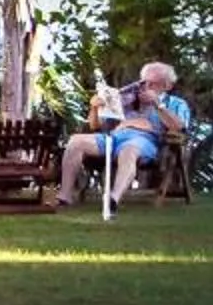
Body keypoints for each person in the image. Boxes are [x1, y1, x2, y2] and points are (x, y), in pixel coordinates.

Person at [55, 61, 193, 209]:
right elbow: (95, 125)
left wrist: (158, 105)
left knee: (129, 150)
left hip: (145, 140)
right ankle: (65, 196)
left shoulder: (176, 104)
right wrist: (94, 108)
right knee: (76, 141)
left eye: (154, 84)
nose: (147, 87)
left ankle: (113, 199)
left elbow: (179, 128)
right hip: (114, 137)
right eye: (144, 82)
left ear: (167, 86)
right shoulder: (127, 99)